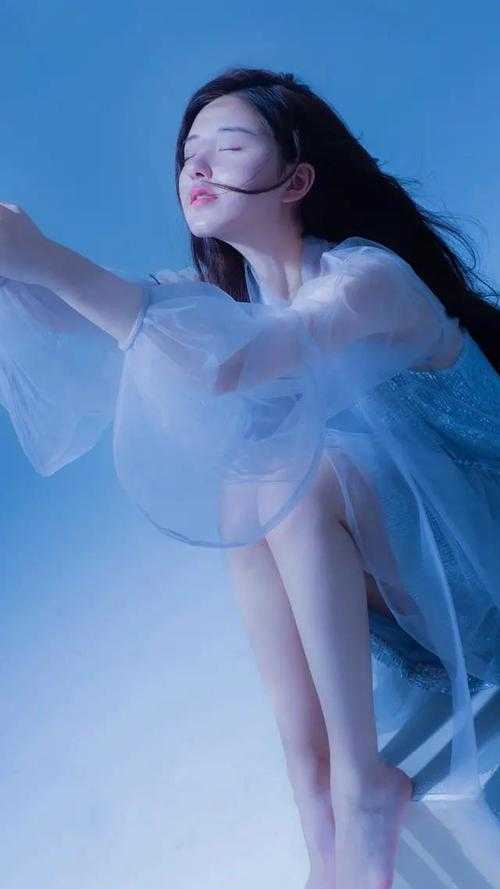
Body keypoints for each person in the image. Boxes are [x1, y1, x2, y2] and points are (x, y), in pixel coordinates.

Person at [1, 66, 499, 888]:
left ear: (297, 179)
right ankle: (317, 794)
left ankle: (359, 783)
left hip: (486, 574)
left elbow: (238, 361)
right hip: (426, 602)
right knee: (246, 487)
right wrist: (21, 266)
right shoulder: (226, 300)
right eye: (187, 154)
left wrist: (48, 260)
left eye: (227, 147)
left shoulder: (366, 279)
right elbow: (115, 321)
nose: (195, 167)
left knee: (306, 472)